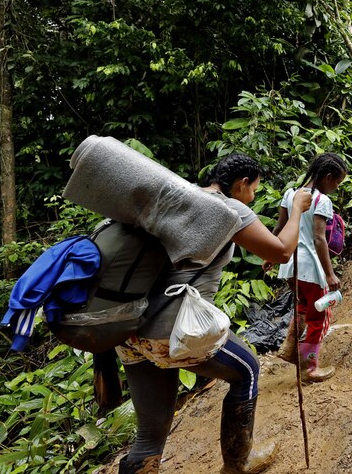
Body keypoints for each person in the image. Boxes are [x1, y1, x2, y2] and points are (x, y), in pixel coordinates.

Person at [115, 153, 312, 474]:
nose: (253, 197)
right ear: (241, 184)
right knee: (246, 370)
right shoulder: (228, 208)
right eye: (254, 190)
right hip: (171, 329)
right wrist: (296, 211)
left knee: (149, 438)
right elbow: (281, 250)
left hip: (128, 330)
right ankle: (238, 462)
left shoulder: (179, 197)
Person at [269, 152, 348, 382]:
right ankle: (309, 368)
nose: (336, 187)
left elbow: (280, 227)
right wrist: (330, 274)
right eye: (337, 182)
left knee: (303, 305)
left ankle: (290, 347)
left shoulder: (290, 194)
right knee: (319, 317)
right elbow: (319, 239)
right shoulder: (321, 200)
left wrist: (270, 256)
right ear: (328, 176)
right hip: (311, 268)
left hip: (291, 266)